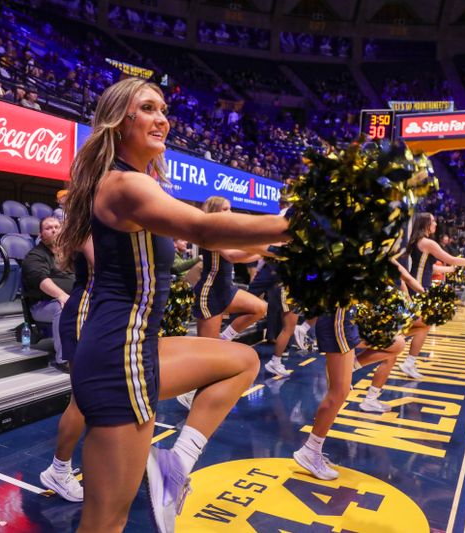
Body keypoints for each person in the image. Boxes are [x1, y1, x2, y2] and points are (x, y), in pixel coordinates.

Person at [56, 77, 287, 532]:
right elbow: (205, 229)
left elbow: (207, 231)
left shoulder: (140, 183)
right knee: (105, 522)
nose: (162, 118)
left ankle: (175, 465)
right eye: (148, 108)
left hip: (136, 345)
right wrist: (293, 227)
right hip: (117, 357)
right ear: (121, 122)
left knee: (242, 360)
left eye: (163, 109)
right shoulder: (123, 185)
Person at [293, 306, 406, 479]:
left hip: (347, 320)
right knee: (339, 393)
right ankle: (310, 450)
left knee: (397, 343)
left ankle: (350, 367)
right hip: (337, 321)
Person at [39, 238, 94, 502]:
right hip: (89, 311)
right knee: (83, 398)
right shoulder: (95, 224)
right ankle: (59, 470)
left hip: (116, 313)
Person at [399, 213, 465, 379]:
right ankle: (390, 345)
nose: (435, 223)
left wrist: (451, 270)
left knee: (424, 325)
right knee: (417, 325)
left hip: (420, 287)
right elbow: (450, 258)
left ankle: (409, 362)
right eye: (433, 221)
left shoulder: (419, 242)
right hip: (418, 290)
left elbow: (430, 268)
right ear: (425, 223)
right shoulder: (428, 242)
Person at [191, 196, 268, 341]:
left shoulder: (224, 234)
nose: (230, 213)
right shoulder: (211, 233)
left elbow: (243, 257)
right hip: (211, 292)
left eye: (230, 208)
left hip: (226, 288)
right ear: (214, 212)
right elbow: (232, 256)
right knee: (208, 349)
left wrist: (267, 253)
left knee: (260, 308)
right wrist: (266, 248)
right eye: (225, 209)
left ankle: (225, 337)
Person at [22, 217, 75, 370]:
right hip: (42, 305)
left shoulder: (67, 254)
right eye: (48, 228)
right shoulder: (35, 256)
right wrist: (61, 295)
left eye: (57, 227)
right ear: (41, 234)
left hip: (69, 300)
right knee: (63, 306)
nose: (53, 230)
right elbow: (42, 280)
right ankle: (64, 359)